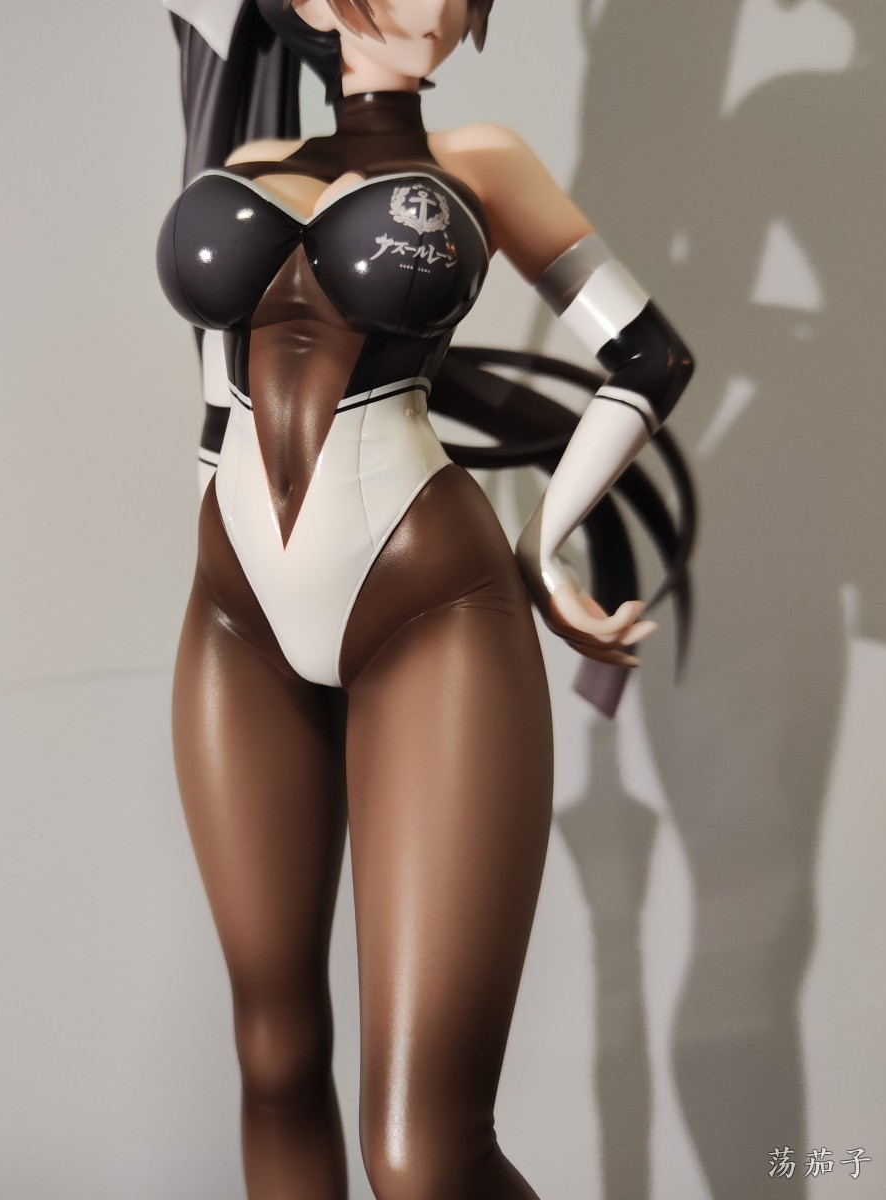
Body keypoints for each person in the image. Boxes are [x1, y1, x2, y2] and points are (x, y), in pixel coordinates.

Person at [156, 1, 693, 1194]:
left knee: (422, 1154)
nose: (444, 4)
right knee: (274, 1058)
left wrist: (546, 549)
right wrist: (225, 540)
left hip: (425, 605)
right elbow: (215, 405)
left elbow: (649, 359)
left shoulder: (482, 161)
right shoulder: (247, 160)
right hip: (235, 615)